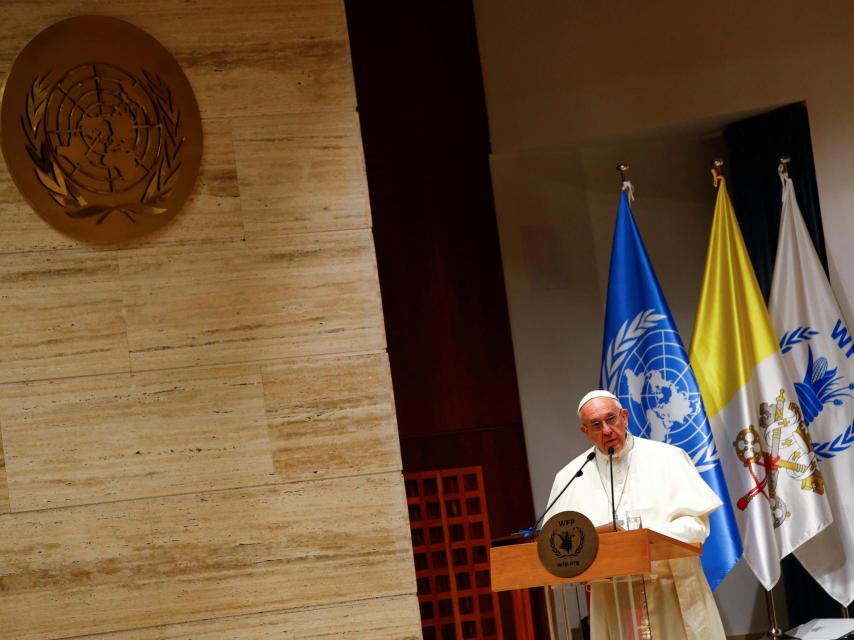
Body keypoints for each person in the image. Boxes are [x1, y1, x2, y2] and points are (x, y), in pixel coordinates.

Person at [543, 390, 726, 640]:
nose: (607, 430)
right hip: (614, 601)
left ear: (625, 417)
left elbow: (696, 526)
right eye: (596, 425)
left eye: (611, 419)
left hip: (671, 592)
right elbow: (557, 555)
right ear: (585, 432)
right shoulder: (571, 477)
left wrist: (643, 539)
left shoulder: (668, 458)